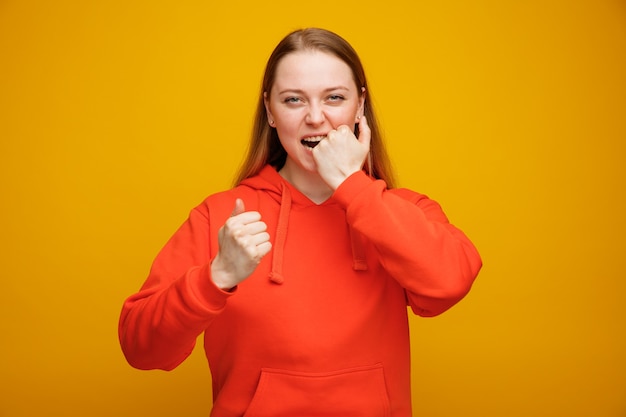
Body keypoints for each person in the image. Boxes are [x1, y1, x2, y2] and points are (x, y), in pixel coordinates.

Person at [119, 27, 482, 417]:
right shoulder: (222, 217)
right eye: (293, 100)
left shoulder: (399, 212)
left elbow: (450, 283)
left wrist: (353, 187)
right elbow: (142, 348)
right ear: (270, 111)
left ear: (360, 106)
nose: (315, 117)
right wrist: (217, 276)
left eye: (334, 98)